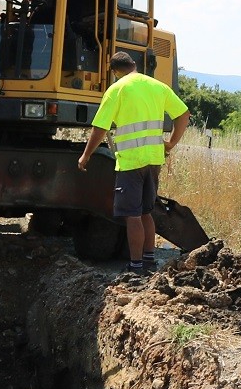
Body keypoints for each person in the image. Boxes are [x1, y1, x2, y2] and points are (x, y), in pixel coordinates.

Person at [78, 51, 191, 274]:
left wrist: (86, 154)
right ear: (134, 65)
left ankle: (136, 265)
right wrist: (171, 143)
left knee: (132, 215)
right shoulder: (157, 86)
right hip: (154, 159)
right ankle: (149, 261)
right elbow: (184, 114)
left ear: (114, 71)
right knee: (147, 212)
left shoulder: (117, 89)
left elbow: (100, 127)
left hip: (131, 161)